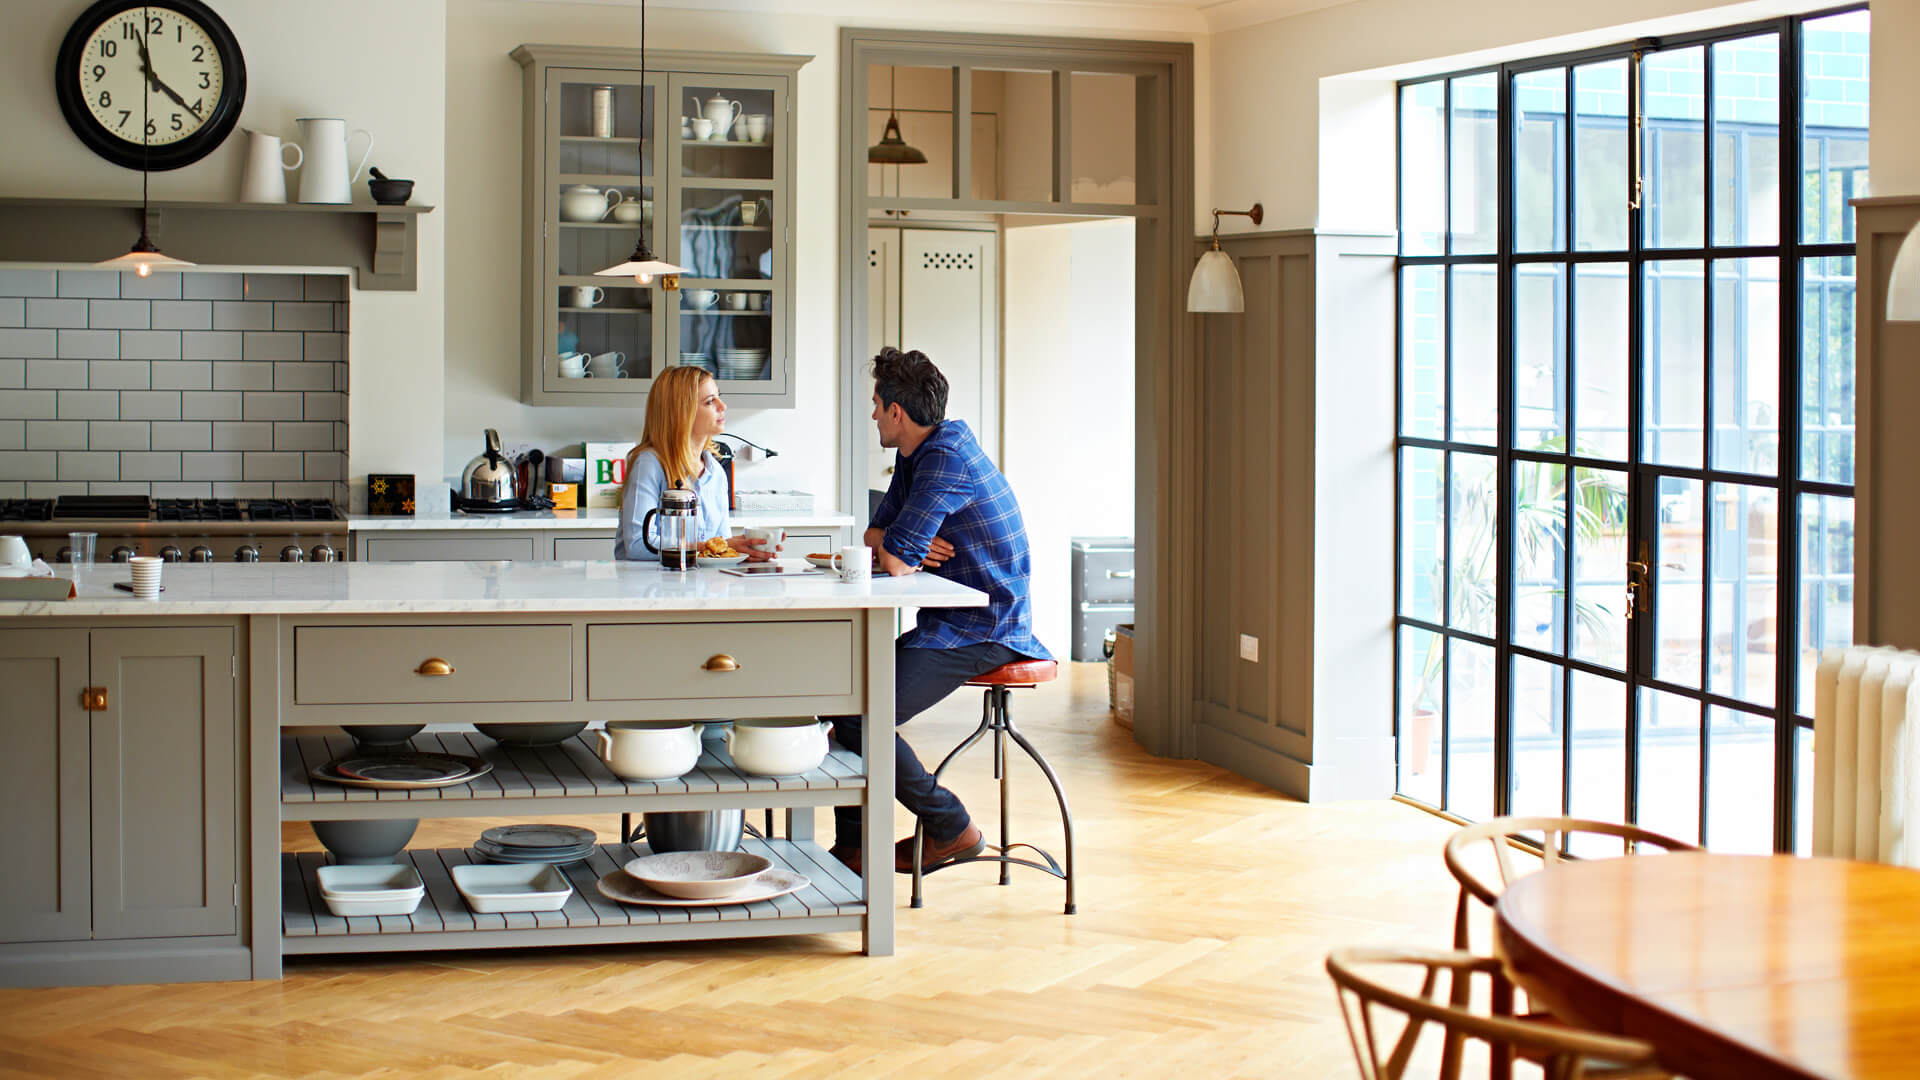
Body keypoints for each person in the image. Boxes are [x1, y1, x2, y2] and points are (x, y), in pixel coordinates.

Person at [828, 347, 1052, 876]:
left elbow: (897, 558)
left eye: (877, 406)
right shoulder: (917, 455)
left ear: (896, 412)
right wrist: (897, 542)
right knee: (846, 694)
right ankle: (857, 849)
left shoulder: (946, 457)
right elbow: (877, 537)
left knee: (861, 712)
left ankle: (952, 829)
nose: (875, 416)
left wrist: (900, 545)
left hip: (985, 628)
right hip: (949, 622)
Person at [613, 365, 773, 563]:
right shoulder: (650, 464)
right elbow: (638, 545)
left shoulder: (716, 472)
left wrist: (743, 552)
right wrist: (709, 547)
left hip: (698, 587)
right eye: (709, 402)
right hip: (651, 588)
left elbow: (719, 546)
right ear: (681, 413)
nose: (723, 406)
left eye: (719, 396)